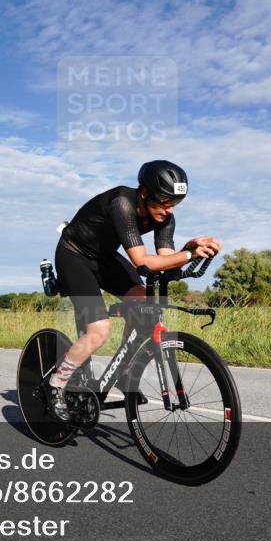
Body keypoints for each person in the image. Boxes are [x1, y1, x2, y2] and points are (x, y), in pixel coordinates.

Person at [48, 160, 222, 420]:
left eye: (175, 202)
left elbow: (164, 261)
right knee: (99, 330)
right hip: (73, 255)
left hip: (104, 257)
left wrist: (189, 250)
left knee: (143, 303)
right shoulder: (123, 204)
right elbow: (142, 261)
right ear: (144, 192)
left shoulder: (165, 217)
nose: (168, 208)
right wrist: (187, 254)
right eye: (164, 199)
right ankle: (56, 386)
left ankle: (126, 373)